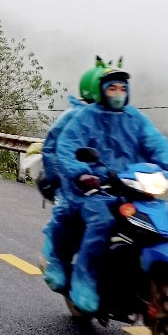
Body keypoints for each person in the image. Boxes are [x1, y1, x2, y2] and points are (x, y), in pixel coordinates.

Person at [52, 64, 168, 313]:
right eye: (112, 87)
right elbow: (67, 148)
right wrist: (82, 174)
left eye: (123, 87)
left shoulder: (135, 118)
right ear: (102, 91)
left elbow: (156, 143)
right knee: (100, 221)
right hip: (100, 187)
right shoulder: (86, 117)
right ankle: (84, 280)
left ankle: (163, 277)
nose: (118, 92)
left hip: (134, 186)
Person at [40, 58, 110, 293]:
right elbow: (52, 149)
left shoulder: (115, 117)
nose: (114, 92)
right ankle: (58, 262)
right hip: (74, 184)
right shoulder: (74, 116)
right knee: (68, 216)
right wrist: (61, 178)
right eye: (109, 86)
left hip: (107, 184)